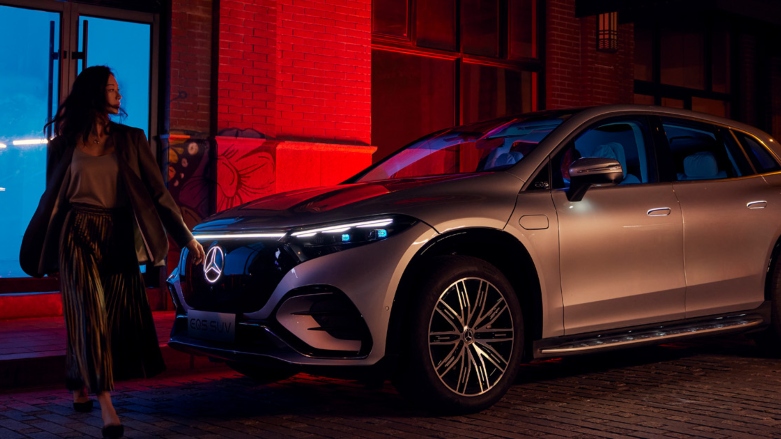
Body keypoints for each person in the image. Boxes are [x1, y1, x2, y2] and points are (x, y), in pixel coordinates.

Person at [19, 66, 205, 438]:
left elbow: (159, 194)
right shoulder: (63, 144)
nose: (119, 95)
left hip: (117, 234)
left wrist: (185, 238)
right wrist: (47, 249)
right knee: (89, 312)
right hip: (75, 232)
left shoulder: (131, 140)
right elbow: (52, 198)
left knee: (106, 314)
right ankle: (106, 404)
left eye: (118, 89)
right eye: (111, 89)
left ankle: (78, 381)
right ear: (94, 94)